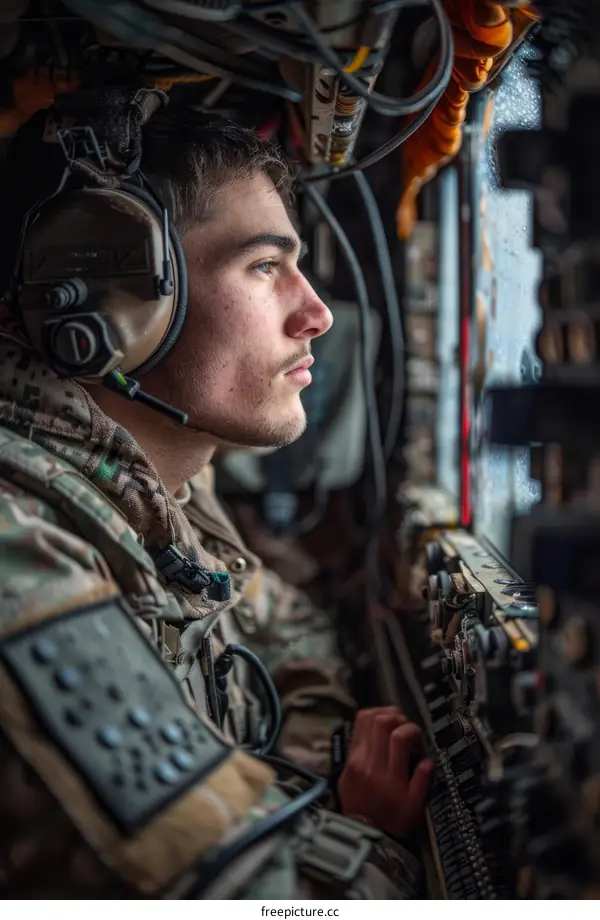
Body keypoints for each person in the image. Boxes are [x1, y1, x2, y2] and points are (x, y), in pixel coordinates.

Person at [0, 86, 433, 898]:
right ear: (111, 297)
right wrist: (361, 837)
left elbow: (282, 622)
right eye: (265, 266)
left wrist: (298, 776)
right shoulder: (20, 559)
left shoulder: (161, 484)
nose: (317, 314)